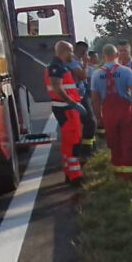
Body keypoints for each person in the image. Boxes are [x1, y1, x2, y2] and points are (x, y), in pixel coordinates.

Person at [90, 44, 132, 180]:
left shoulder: (96, 74)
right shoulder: (126, 71)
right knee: (128, 140)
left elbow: (95, 100)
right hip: (125, 110)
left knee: (114, 141)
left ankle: (118, 171)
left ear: (103, 56)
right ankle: (129, 174)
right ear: (117, 55)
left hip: (108, 111)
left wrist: (98, 118)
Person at [45, 40, 88, 186]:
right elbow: (57, 88)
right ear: (64, 52)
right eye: (70, 51)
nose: (72, 54)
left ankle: (70, 172)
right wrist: (72, 103)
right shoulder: (56, 67)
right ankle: (75, 176)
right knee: (74, 141)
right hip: (66, 109)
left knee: (68, 142)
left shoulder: (59, 66)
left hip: (66, 108)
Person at [71, 41, 96, 160]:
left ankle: (88, 148)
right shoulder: (73, 61)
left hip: (81, 95)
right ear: (83, 52)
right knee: (90, 122)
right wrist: (86, 64)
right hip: (76, 97)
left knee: (89, 122)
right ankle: (85, 151)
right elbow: (82, 76)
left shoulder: (77, 61)